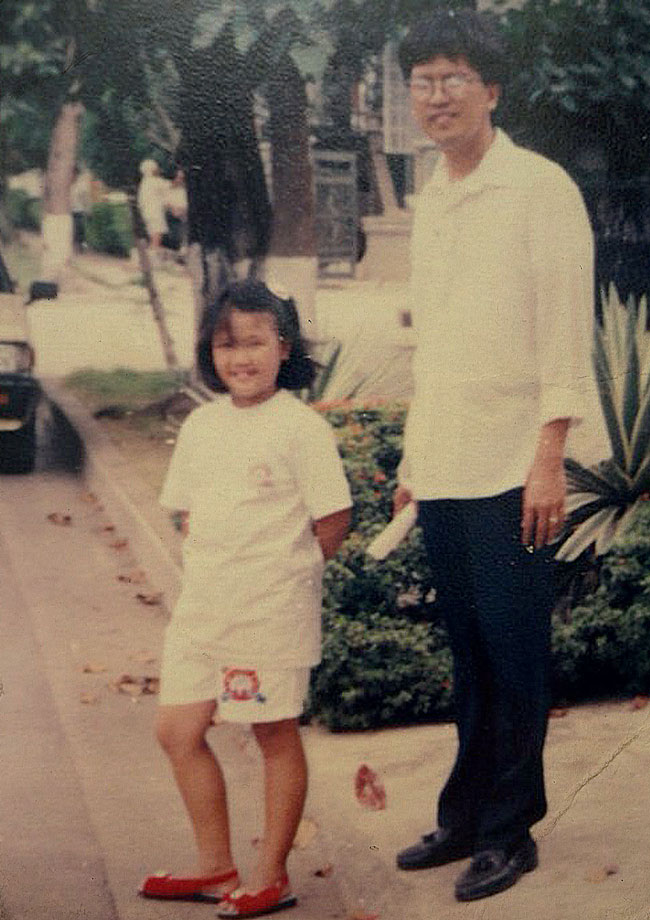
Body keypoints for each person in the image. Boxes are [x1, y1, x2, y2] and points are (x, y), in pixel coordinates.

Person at [393, 8, 596, 903]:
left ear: (491, 90)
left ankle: (511, 830)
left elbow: (563, 331)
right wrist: (412, 455)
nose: (437, 96)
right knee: (468, 649)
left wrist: (550, 455)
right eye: (423, 81)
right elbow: (433, 345)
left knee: (515, 652)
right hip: (444, 461)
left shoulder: (540, 188)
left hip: (516, 466)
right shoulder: (431, 194)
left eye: (453, 79)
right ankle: (466, 814)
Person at [139, 279, 352, 918]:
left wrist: (288, 579)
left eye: (256, 342)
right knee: (177, 731)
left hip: (269, 614)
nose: (242, 358)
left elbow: (334, 519)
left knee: (271, 731)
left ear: (283, 347)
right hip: (204, 611)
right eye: (228, 345)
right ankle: (214, 865)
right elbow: (186, 513)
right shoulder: (203, 424)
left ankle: (271, 873)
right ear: (212, 352)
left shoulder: (299, 429)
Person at [136, 159, 169, 256]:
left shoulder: (144, 182)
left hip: (147, 211)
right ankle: (154, 252)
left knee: (152, 231)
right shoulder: (155, 181)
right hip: (155, 210)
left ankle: (152, 250)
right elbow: (169, 186)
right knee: (157, 230)